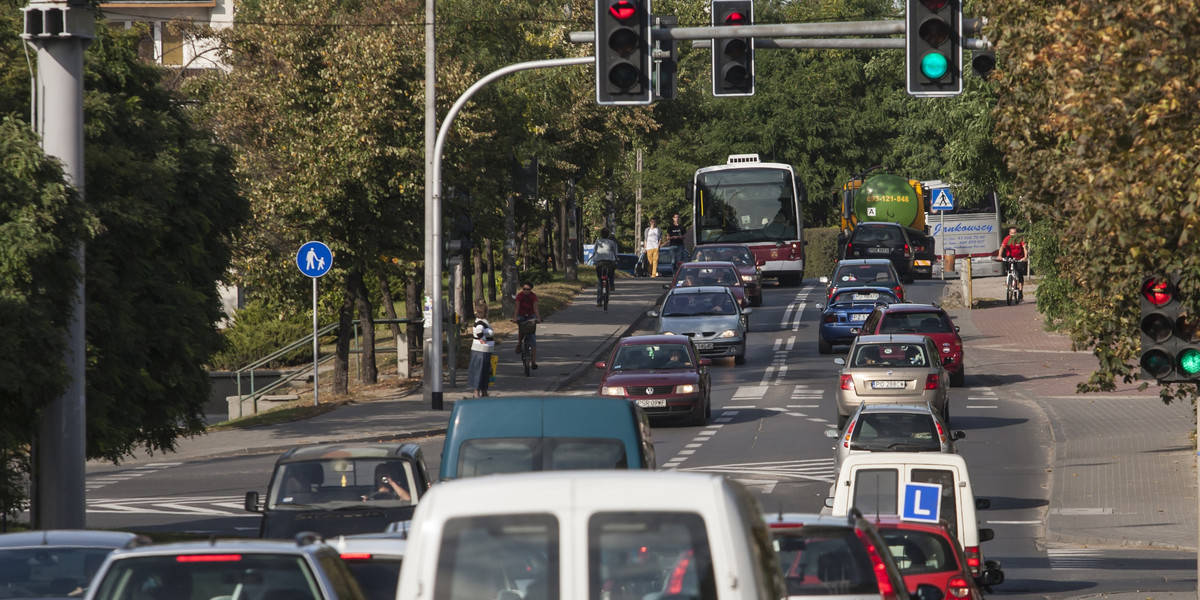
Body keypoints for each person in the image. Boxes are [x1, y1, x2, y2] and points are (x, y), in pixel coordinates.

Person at [468, 300, 495, 397]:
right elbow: (479, 330)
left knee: (485, 371)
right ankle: (477, 393)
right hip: (480, 350)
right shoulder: (480, 322)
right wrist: (482, 339)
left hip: (485, 351)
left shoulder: (484, 322)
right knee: (479, 371)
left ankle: (484, 391)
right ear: (485, 312)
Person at [513, 282, 541, 369]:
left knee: (532, 338)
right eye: (524, 289)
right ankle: (519, 344)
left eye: (527, 289)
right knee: (521, 330)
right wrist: (515, 318)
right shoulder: (519, 296)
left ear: (531, 290)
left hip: (530, 315)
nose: (525, 291)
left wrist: (538, 318)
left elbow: (535, 307)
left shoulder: (533, 296)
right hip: (521, 315)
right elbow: (517, 308)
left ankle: (533, 361)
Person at [997, 226, 1028, 297]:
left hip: (1019, 258)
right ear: (1009, 233)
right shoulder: (1007, 239)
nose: (1013, 235)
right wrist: (999, 255)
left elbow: (1024, 248)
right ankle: (1009, 279)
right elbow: (1002, 247)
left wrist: (1025, 256)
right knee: (1008, 268)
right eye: (1012, 233)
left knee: (1019, 274)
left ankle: (1020, 290)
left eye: (1015, 233)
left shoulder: (1020, 239)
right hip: (1010, 257)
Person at [593, 228, 619, 306]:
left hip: (599, 261)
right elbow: (615, 252)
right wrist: (617, 259)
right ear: (608, 235)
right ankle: (611, 284)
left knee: (600, 281)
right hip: (609, 261)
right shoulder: (612, 242)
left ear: (601, 234)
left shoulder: (598, 242)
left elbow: (595, 251)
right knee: (612, 270)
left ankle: (599, 301)